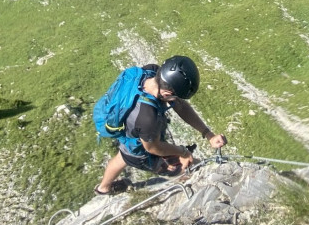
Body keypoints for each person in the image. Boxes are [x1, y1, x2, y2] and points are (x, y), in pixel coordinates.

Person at [95, 55, 226, 195]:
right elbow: (154, 148)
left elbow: (180, 106)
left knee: (124, 155)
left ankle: (103, 188)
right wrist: (183, 153)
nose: (178, 100)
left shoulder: (151, 71)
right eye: (176, 97)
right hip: (141, 146)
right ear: (167, 93)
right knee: (182, 166)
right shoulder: (147, 118)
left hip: (128, 129)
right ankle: (180, 184)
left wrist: (208, 134)